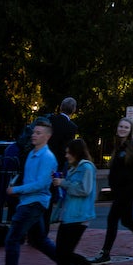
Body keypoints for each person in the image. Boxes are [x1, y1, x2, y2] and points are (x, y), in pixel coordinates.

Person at [0, 117, 61, 265]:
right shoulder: (32, 154)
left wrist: (16, 189)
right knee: (40, 240)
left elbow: (41, 184)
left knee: (12, 239)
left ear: (47, 137)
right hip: (27, 203)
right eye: (34, 132)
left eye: (38, 133)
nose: (33, 135)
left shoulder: (48, 157)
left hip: (34, 203)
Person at [47, 139, 107, 265]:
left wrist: (63, 183)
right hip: (69, 215)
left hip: (79, 216)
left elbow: (85, 190)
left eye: (68, 152)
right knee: (61, 253)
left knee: (64, 252)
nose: (66, 155)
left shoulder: (86, 167)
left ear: (76, 152)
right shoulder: (74, 168)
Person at [90, 117, 133, 264]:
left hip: (126, 191)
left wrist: (132, 190)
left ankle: (105, 253)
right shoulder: (120, 146)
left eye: (126, 127)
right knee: (128, 221)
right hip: (120, 191)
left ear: (130, 130)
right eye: (121, 126)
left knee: (112, 219)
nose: (122, 129)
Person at [45, 97, 78, 234]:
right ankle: (44, 230)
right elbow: (66, 148)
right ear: (74, 110)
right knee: (51, 197)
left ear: (60, 107)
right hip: (57, 165)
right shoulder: (72, 127)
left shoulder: (50, 120)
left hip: (45, 160)